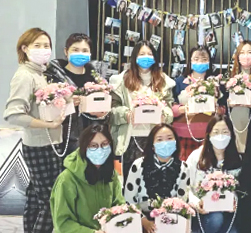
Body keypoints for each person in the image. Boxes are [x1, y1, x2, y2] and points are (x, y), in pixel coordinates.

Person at [4, 28, 64, 233]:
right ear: (25, 48)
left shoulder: (42, 73)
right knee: (50, 203)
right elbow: (13, 114)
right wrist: (47, 125)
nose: (44, 49)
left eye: (46, 45)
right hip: (39, 147)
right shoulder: (24, 76)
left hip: (48, 144)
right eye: (37, 45)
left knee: (35, 202)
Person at [123, 124, 190, 233]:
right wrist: (143, 221)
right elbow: (128, 200)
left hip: (169, 219)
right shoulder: (138, 165)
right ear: (152, 145)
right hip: (144, 218)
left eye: (169, 138)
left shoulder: (183, 168)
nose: (165, 143)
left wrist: (177, 225)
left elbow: (183, 201)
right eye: (159, 139)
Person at [110, 41, 175, 180]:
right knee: (130, 181)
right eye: (142, 54)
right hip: (130, 140)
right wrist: (126, 115)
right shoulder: (121, 80)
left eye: (149, 54)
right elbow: (112, 109)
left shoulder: (164, 81)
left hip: (156, 139)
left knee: (156, 180)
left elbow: (170, 107)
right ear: (135, 57)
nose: (146, 57)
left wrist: (164, 116)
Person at [186, 115, 242, 233]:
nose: (221, 136)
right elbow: (186, 187)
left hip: (226, 212)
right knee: (215, 216)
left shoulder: (236, 159)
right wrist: (196, 203)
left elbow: (238, 189)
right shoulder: (196, 157)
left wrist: (234, 201)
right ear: (208, 135)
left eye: (225, 132)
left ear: (231, 134)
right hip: (200, 213)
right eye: (216, 132)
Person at [45, 33, 109, 154]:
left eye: (85, 50)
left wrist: (102, 113)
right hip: (65, 138)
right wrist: (69, 104)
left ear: (90, 53)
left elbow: (106, 109)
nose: (80, 53)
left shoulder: (96, 77)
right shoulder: (54, 77)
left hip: (93, 136)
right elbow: (48, 110)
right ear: (66, 51)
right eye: (75, 50)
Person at [172, 46, 219, 161]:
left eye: (204, 59)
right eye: (196, 59)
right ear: (190, 61)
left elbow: (223, 108)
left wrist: (216, 108)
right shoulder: (179, 82)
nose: (200, 62)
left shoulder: (215, 83)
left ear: (209, 62)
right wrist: (184, 109)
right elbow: (171, 108)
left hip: (210, 134)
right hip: (184, 134)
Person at [227, 40, 251, 155]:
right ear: (237, 56)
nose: (246, 56)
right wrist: (229, 103)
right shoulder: (231, 77)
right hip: (235, 120)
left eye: (249, 52)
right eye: (242, 53)